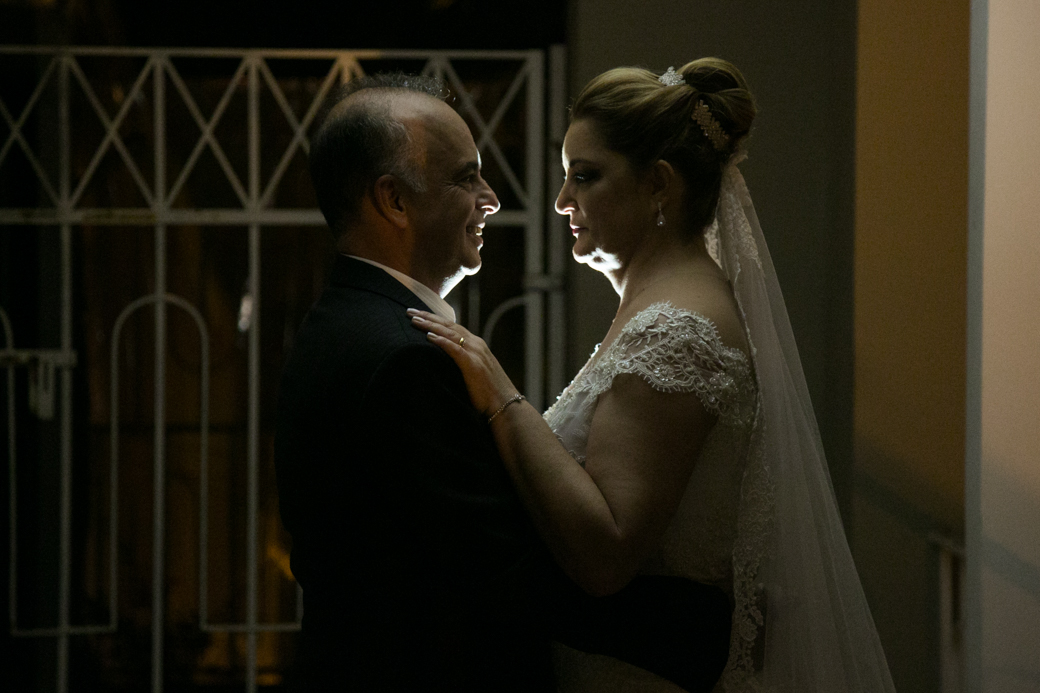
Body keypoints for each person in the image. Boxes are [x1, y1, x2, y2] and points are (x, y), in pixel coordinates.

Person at [412, 59, 898, 692]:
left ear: (658, 185)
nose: (562, 202)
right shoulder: (661, 307)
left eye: (585, 176)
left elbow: (606, 554)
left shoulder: (678, 330)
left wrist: (502, 397)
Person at [274, 73, 733, 693]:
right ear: (394, 201)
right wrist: (704, 627)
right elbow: (502, 571)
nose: (491, 198)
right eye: (466, 178)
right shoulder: (400, 357)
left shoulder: (349, 323)